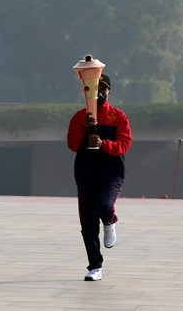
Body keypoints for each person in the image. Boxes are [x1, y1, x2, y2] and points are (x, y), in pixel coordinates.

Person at [67, 74, 132, 282]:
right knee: (87, 225)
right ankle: (95, 266)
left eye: (103, 89)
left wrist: (105, 144)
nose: (100, 93)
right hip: (86, 174)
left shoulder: (118, 116)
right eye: (96, 88)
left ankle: (110, 220)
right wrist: (85, 129)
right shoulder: (79, 117)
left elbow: (124, 145)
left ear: (109, 92)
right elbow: (72, 144)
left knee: (103, 206)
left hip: (111, 173)